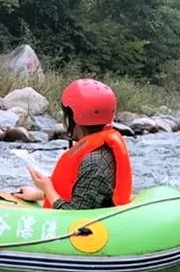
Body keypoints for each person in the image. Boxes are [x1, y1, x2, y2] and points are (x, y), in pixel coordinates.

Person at [13, 78, 133, 209]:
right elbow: (77, 189)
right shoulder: (97, 150)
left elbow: (74, 215)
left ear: (73, 117)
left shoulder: (94, 161)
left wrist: (47, 188)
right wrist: (37, 194)